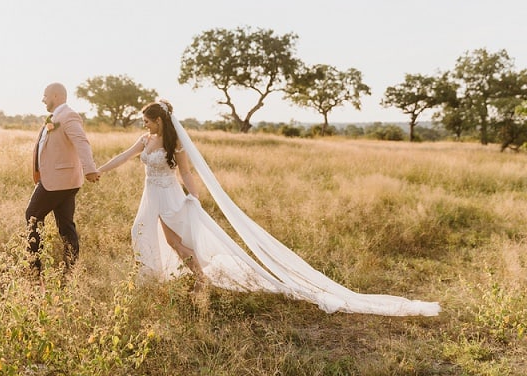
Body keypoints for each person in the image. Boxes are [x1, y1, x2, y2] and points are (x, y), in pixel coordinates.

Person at [96, 100, 441, 317]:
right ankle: (167, 279)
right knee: (142, 233)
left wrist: (195, 198)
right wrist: (98, 170)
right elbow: (124, 158)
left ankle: (199, 279)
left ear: (159, 120)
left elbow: (187, 173)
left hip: (170, 197)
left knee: (172, 242)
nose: (144, 125)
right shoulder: (144, 141)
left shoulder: (174, 144)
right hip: (150, 196)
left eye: (147, 120)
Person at [25, 82, 100, 277]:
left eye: (45, 95)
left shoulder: (68, 116)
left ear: (56, 96)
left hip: (58, 181)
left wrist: (90, 169)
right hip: (62, 180)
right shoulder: (54, 117)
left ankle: (34, 269)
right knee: (66, 224)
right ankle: (71, 269)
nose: (43, 99)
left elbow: (81, 142)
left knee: (32, 216)